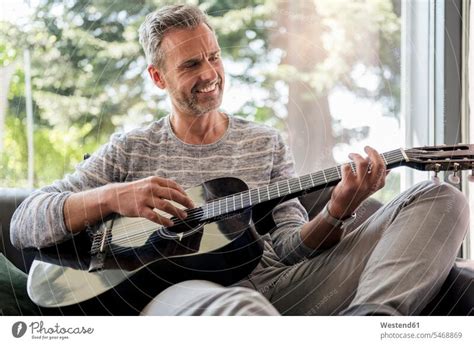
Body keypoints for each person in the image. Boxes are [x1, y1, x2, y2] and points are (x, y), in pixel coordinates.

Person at [11, 4, 469, 316]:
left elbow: (290, 247)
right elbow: (25, 222)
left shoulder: (265, 143)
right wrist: (116, 196)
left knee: (441, 198)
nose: (210, 74)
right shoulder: (132, 150)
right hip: (180, 295)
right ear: (158, 77)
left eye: (213, 57)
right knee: (242, 313)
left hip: (283, 287)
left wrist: (337, 209)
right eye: (191, 65)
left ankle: (370, 326)